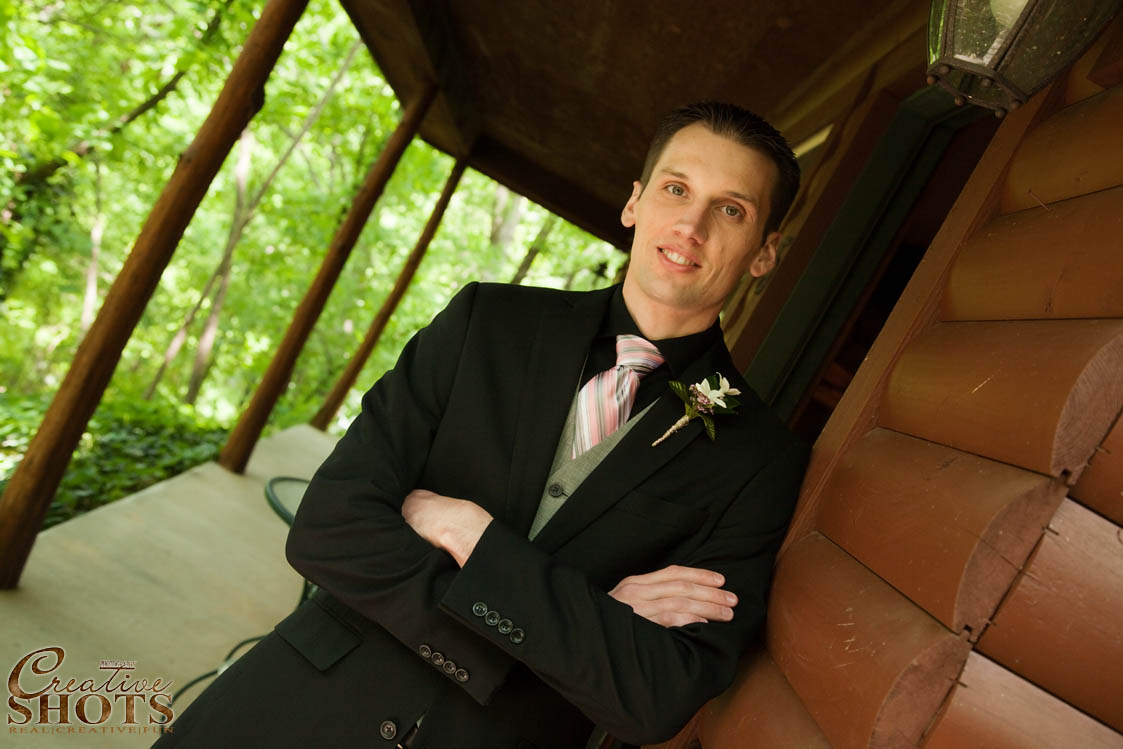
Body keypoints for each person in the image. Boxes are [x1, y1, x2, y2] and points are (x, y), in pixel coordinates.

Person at [154, 101, 808, 749]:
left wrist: (473, 536)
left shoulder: (757, 457)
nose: (691, 224)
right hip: (284, 715)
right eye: (675, 189)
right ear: (634, 202)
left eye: (731, 209)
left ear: (764, 252)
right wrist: (591, 611)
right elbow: (329, 528)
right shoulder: (486, 323)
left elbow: (655, 695)